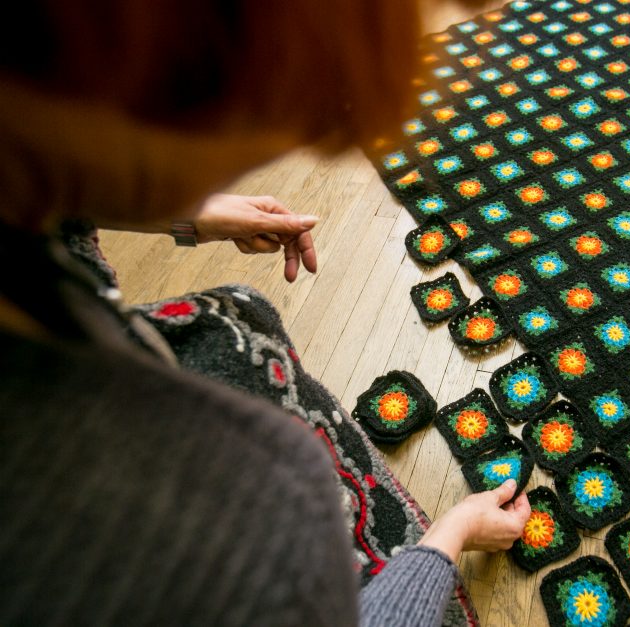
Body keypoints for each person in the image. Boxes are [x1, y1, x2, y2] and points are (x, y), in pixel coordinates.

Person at [0, 1, 530, 626]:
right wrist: (447, 540)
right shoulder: (256, 530)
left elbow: (52, 185)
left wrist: (191, 212)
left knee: (241, 311)